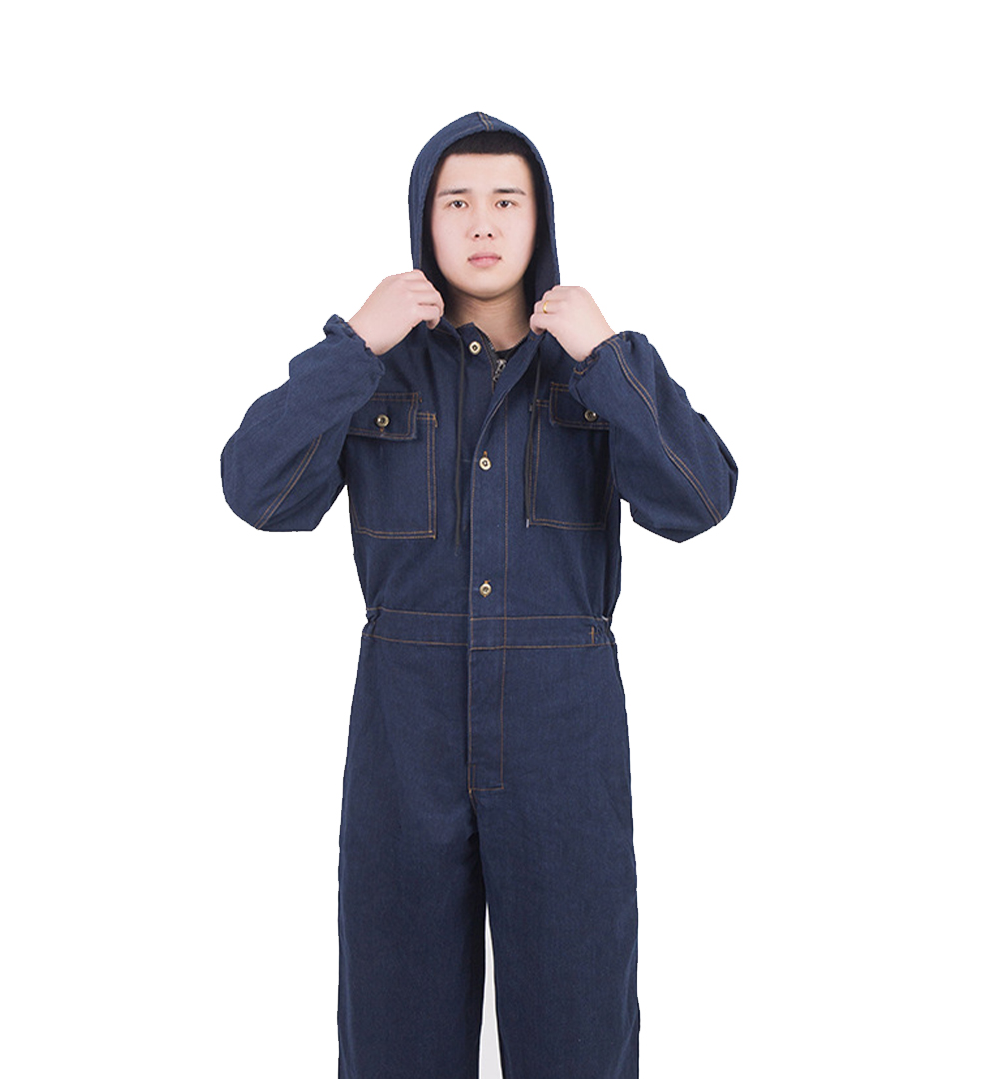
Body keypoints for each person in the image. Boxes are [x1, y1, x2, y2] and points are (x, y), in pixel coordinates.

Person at [221, 111, 737, 1079]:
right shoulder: (380, 368)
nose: (483, 222)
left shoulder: (593, 371)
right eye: (456, 202)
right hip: (403, 731)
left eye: (508, 200)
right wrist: (353, 344)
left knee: (581, 1027)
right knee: (395, 1032)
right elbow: (257, 491)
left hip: (564, 733)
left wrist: (610, 356)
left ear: (543, 221)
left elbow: (700, 499)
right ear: (424, 221)